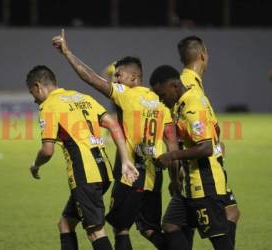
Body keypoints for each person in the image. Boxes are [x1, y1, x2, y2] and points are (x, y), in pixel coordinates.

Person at [52, 30, 178, 250]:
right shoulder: (160, 103)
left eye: (118, 75)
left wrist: (67, 53)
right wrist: (175, 179)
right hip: (154, 176)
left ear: (134, 78)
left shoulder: (125, 94)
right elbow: (172, 144)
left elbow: (89, 77)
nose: (115, 79)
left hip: (130, 175)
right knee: (149, 228)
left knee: (121, 228)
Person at [26, 65, 139, 250]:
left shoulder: (49, 106)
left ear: (38, 86)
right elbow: (114, 126)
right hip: (103, 172)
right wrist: (125, 160)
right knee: (65, 223)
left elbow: (47, 150)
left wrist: (35, 165)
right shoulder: (82, 98)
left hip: (84, 175)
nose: (34, 100)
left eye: (32, 93)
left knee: (95, 232)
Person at [150, 65, 234, 250]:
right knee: (170, 224)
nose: (161, 100)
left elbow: (206, 148)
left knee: (219, 238)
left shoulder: (192, 105)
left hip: (206, 184)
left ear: (173, 86)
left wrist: (172, 155)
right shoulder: (180, 105)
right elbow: (215, 129)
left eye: (162, 94)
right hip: (190, 184)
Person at [177, 36, 240, 247]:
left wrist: (216, 141)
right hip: (202, 174)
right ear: (203, 55)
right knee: (212, 231)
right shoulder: (187, 88)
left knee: (232, 211)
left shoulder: (192, 84)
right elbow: (177, 128)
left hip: (212, 168)